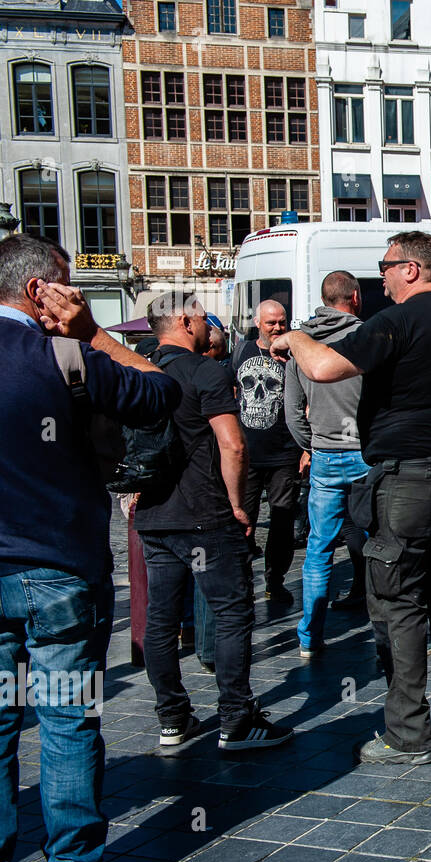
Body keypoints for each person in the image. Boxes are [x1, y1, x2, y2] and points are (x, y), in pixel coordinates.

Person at [271, 231, 431, 763]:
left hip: (407, 481)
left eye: (386, 267)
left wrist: (294, 339)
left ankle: (408, 734)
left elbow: (324, 367)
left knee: (398, 603)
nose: (382, 279)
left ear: (412, 270)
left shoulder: (396, 321)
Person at [0, 234, 180, 862]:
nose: (74, 293)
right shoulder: (63, 357)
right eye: (67, 281)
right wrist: (94, 331)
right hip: (59, 566)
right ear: (37, 290)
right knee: (67, 718)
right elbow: (161, 392)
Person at [135, 293, 295, 752]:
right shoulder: (205, 370)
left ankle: (172, 718)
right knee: (230, 613)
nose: (210, 327)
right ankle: (236, 720)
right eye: (203, 319)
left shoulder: (141, 369)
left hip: (154, 513)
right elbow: (233, 445)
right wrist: (238, 505)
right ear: (185, 323)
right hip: (204, 512)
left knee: (161, 621)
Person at [284, 270, 370, 658]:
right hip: (365, 452)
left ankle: (309, 636)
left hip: (325, 455)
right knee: (379, 539)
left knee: (319, 549)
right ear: (354, 297)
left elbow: (291, 413)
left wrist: (313, 442)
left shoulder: (302, 343)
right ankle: (385, 623)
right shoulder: (368, 337)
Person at [232, 299, 309, 604]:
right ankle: (240, 582)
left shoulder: (295, 356)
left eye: (282, 322)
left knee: (282, 521)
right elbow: (231, 395)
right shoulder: (241, 353)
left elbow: (307, 403)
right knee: (242, 520)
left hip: (284, 455)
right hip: (247, 455)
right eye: (271, 323)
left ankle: (274, 580)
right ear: (257, 322)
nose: (278, 327)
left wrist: (306, 449)